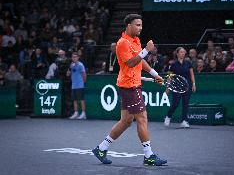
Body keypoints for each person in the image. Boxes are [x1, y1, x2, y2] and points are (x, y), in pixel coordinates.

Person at [92, 14, 167, 166]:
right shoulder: (122, 43)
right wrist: (146, 49)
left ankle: (101, 148)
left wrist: (155, 74)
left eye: (141, 25)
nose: (140, 28)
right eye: (137, 25)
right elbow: (132, 63)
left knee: (126, 121)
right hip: (129, 86)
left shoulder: (136, 40)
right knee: (142, 118)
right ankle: (149, 156)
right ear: (129, 26)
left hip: (132, 84)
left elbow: (141, 61)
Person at [164, 47, 196, 128]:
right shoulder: (173, 64)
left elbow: (191, 74)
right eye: (181, 52)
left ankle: (184, 121)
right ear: (177, 53)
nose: (183, 53)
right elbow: (170, 77)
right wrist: (168, 88)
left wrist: (194, 84)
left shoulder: (188, 63)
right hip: (177, 86)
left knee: (185, 104)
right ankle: (168, 116)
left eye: (184, 52)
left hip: (187, 86)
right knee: (175, 103)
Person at [68, 52, 87, 120]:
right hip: (73, 85)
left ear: (78, 57)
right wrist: (69, 70)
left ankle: (83, 113)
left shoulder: (81, 65)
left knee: (81, 100)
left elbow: (84, 74)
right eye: (73, 57)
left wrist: (83, 83)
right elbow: (68, 74)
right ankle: (76, 113)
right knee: (74, 100)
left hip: (80, 85)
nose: (74, 58)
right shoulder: (72, 65)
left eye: (75, 57)